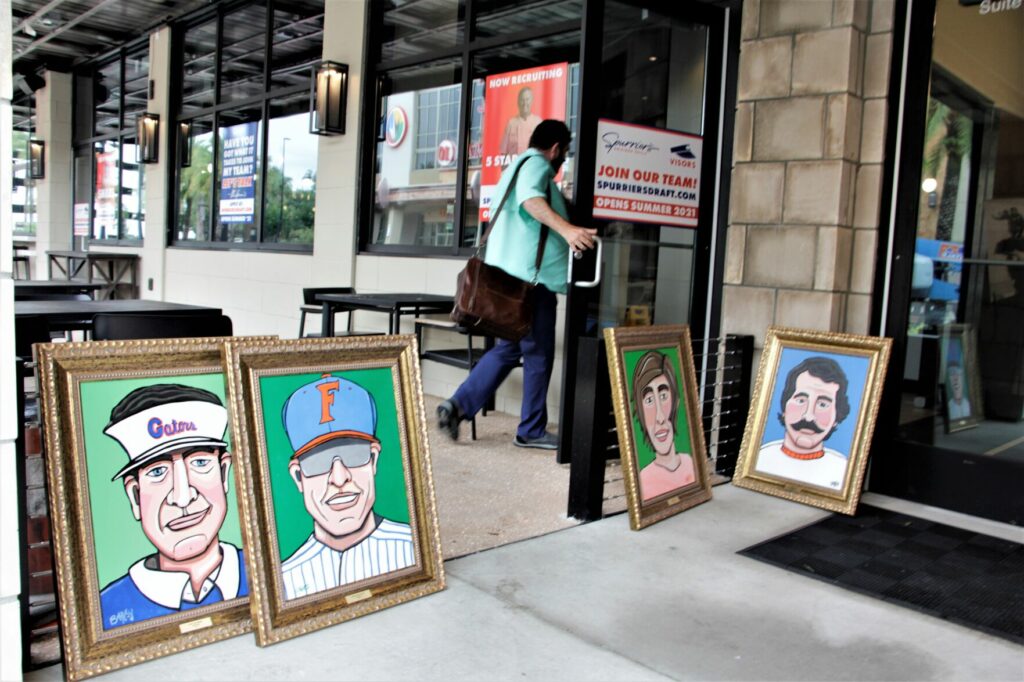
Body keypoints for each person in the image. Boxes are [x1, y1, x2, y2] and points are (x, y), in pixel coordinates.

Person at [437, 120, 598, 450]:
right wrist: (568, 231)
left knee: (509, 348)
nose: (562, 160)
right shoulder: (537, 165)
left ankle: (456, 406)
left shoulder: (516, 166)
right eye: (564, 153)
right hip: (531, 284)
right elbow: (530, 200)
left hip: (511, 281)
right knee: (538, 353)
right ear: (556, 149)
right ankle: (531, 430)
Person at [99, 384, 247, 630]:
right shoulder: (106, 611)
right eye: (158, 471)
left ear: (223, 474)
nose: (183, 497)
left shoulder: (273, 576)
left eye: (200, 463)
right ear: (135, 496)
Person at [280, 374, 414, 600]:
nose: (339, 478)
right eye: (318, 461)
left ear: (373, 460)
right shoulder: (284, 579)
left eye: (353, 454)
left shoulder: (415, 549)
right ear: (298, 476)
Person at [756, 356, 851, 491]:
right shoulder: (759, 459)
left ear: (836, 418)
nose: (808, 416)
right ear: (784, 408)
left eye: (822, 404)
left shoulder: (844, 471)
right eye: (801, 400)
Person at [631, 350, 696, 500]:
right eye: (649, 400)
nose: (659, 417)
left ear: (675, 402)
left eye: (663, 396)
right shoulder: (643, 482)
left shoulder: (691, 464)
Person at [499, 86, 543, 157]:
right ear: (518, 102)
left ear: (532, 101)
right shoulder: (511, 123)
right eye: (522, 100)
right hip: (515, 163)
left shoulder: (538, 122)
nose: (525, 103)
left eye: (527, 99)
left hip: (532, 162)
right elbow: (503, 151)